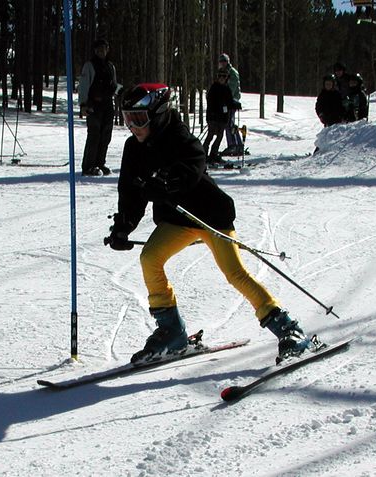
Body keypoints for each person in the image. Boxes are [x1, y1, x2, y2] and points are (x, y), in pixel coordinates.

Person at [106, 83, 317, 364]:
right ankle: (171, 331)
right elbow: (130, 191)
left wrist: (166, 182)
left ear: (157, 115)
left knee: (235, 274)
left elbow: (193, 165)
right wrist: (124, 226)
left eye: (139, 119)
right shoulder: (134, 148)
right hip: (178, 221)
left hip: (209, 216)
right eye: (127, 118)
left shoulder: (180, 137)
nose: (133, 126)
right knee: (150, 258)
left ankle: (289, 330)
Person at [78, 39, 119, 176]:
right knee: (94, 135)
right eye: (100, 49)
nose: (102, 51)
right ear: (95, 50)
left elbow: (114, 85)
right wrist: (83, 104)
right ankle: (88, 166)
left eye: (105, 49)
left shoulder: (110, 66)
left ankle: (100, 163)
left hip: (107, 105)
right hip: (93, 105)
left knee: (106, 136)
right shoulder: (89, 66)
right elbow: (83, 85)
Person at [202, 69, 235, 165]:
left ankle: (214, 154)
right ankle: (203, 155)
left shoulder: (227, 89)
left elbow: (230, 102)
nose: (221, 78)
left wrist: (234, 105)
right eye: (220, 76)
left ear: (226, 78)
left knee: (220, 136)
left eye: (223, 76)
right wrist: (213, 112)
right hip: (213, 117)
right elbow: (210, 101)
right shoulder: (214, 88)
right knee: (210, 135)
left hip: (223, 118)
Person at [217, 53, 243, 156]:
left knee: (229, 123)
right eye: (221, 62)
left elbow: (232, 88)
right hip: (227, 101)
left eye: (224, 62)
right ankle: (237, 144)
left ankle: (233, 145)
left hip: (232, 101)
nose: (222, 64)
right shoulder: (223, 72)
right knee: (229, 123)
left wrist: (226, 98)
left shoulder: (232, 73)